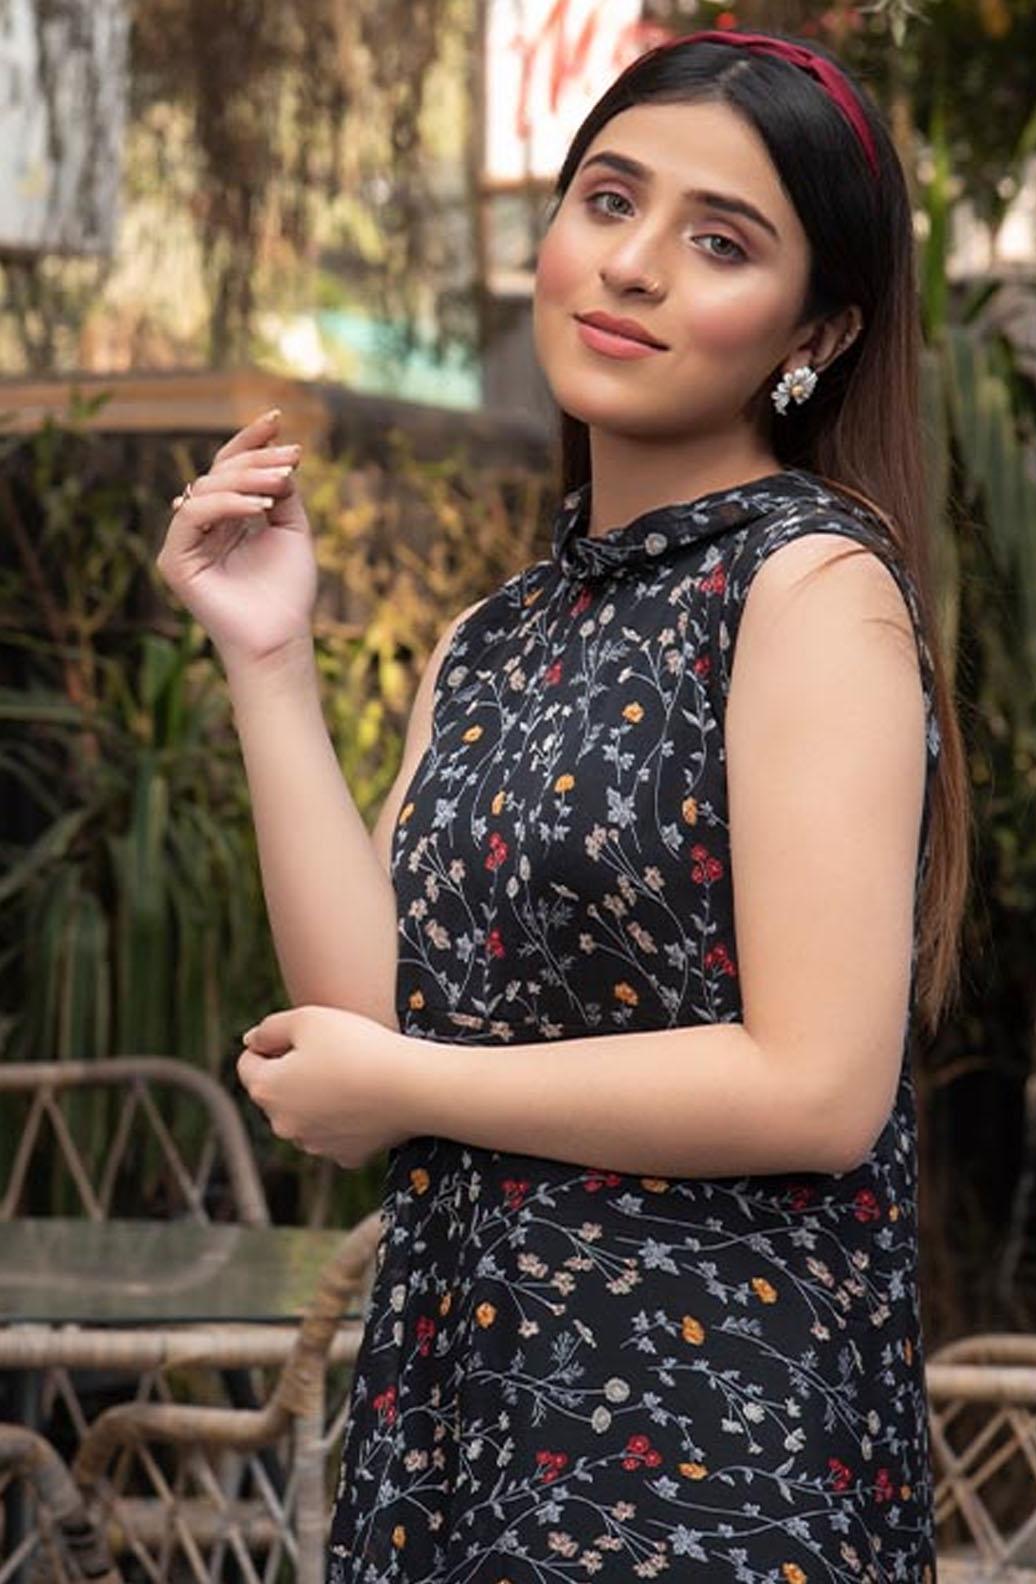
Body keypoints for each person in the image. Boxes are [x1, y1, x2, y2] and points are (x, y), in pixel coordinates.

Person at [156, 25, 970, 1583]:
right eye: (608, 199)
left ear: (816, 331)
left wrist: (413, 1085)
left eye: (719, 241)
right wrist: (266, 657)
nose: (634, 264)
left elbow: (816, 1087)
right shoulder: (495, 637)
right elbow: (370, 1017)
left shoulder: (806, 587)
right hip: (469, 1410)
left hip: (706, 1450)